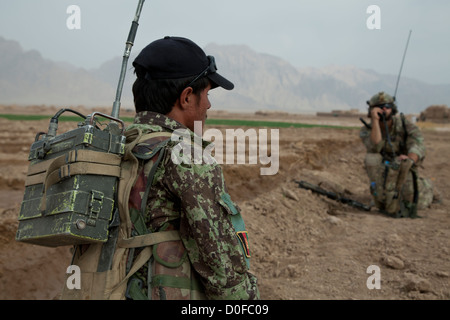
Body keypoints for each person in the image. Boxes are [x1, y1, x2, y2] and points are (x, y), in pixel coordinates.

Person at [124, 36, 260, 300]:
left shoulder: (122, 144)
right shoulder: (187, 156)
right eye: (207, 94)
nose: (208, 105)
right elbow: (220, 263)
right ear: (187, 97)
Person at [359, 91, 437, 218]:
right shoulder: (367, 130)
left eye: (388, 106)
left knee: (416, 202)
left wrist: (410, 158)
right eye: (380, 107)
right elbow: (375, 146)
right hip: (383, 169)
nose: (384, 109)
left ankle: (428, 187)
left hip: (403, 166)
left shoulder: (404, 125)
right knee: (371, 158)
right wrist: (375, 121)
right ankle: (380, 196)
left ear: (393, 108)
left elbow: (418, 144)